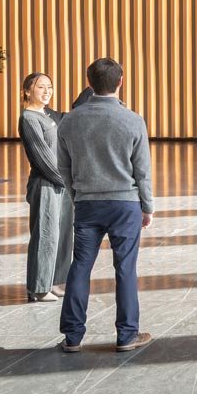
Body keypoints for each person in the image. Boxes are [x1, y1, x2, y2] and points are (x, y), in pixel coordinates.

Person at [56, 57, 153, 353]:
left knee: (80, 266)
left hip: (87, 204)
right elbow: (142, 171)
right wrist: (147, 206)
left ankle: (72, 337)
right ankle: (127, 335)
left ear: (90, 83)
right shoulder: (133, 120)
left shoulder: (70, 120)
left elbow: (63, 169)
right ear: (120, 81)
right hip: (125, 205)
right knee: (125, 269)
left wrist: (77, 197)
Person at [17, 73, 73, 303]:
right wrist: (66, 180)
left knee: (62, 235)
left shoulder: (47, 114)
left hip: (61, 183)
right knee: (45, 236)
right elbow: (42, 159)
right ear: (27, 91)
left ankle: (56, 281)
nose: (47, 91)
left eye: (49, 86)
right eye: (41, 87)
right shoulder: (29, 119)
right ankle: (39, 288)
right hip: (46, 184)